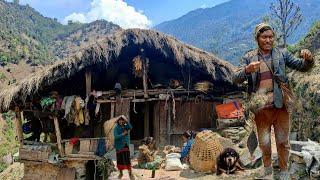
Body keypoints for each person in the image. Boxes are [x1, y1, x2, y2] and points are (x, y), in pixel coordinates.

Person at [233, 23, 314, 179]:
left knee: (283, 141)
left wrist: (308, 60)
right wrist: (247, 70)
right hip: (261, 108)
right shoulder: (249, 57)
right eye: (264, 37)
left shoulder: (282, 54)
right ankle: (268, 168)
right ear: (257, 38)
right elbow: (235, 78)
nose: (268, 40)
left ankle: (284, 170)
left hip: (281, 105)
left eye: (271, 37)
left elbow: (302, 66)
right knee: (264, 142)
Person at [113, 115, 134, 179]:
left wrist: (127, 121)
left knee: (127, 159)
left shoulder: (125, 126)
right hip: (119, 146)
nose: (121, 121)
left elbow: (130, 127)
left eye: (122, 120)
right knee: (120, 159)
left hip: (125, 145)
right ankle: (121, 173)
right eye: (120, 120)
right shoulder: (116, 128)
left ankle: (130, 172)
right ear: (118, 121)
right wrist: (123, 134)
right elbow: (116, 137)